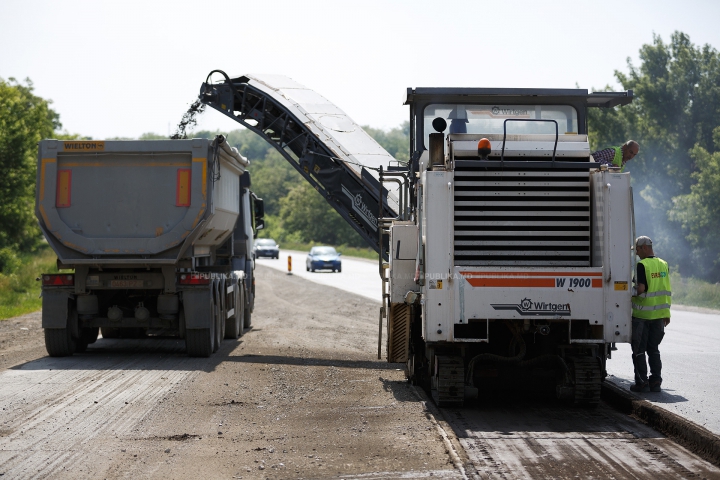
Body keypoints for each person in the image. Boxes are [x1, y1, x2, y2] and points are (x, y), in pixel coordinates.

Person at [630, 236, 671, 393]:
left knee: (639, 350)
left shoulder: (642, 265)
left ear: (645, 247)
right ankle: (655, 382)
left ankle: (641, 383)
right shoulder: (663, 264)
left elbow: (641, 288)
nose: (637, 254)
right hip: (660, 315)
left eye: (638, 250)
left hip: (642, 316)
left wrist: (627, 294)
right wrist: (667, 313)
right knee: (653, 349)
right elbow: (665, 289)